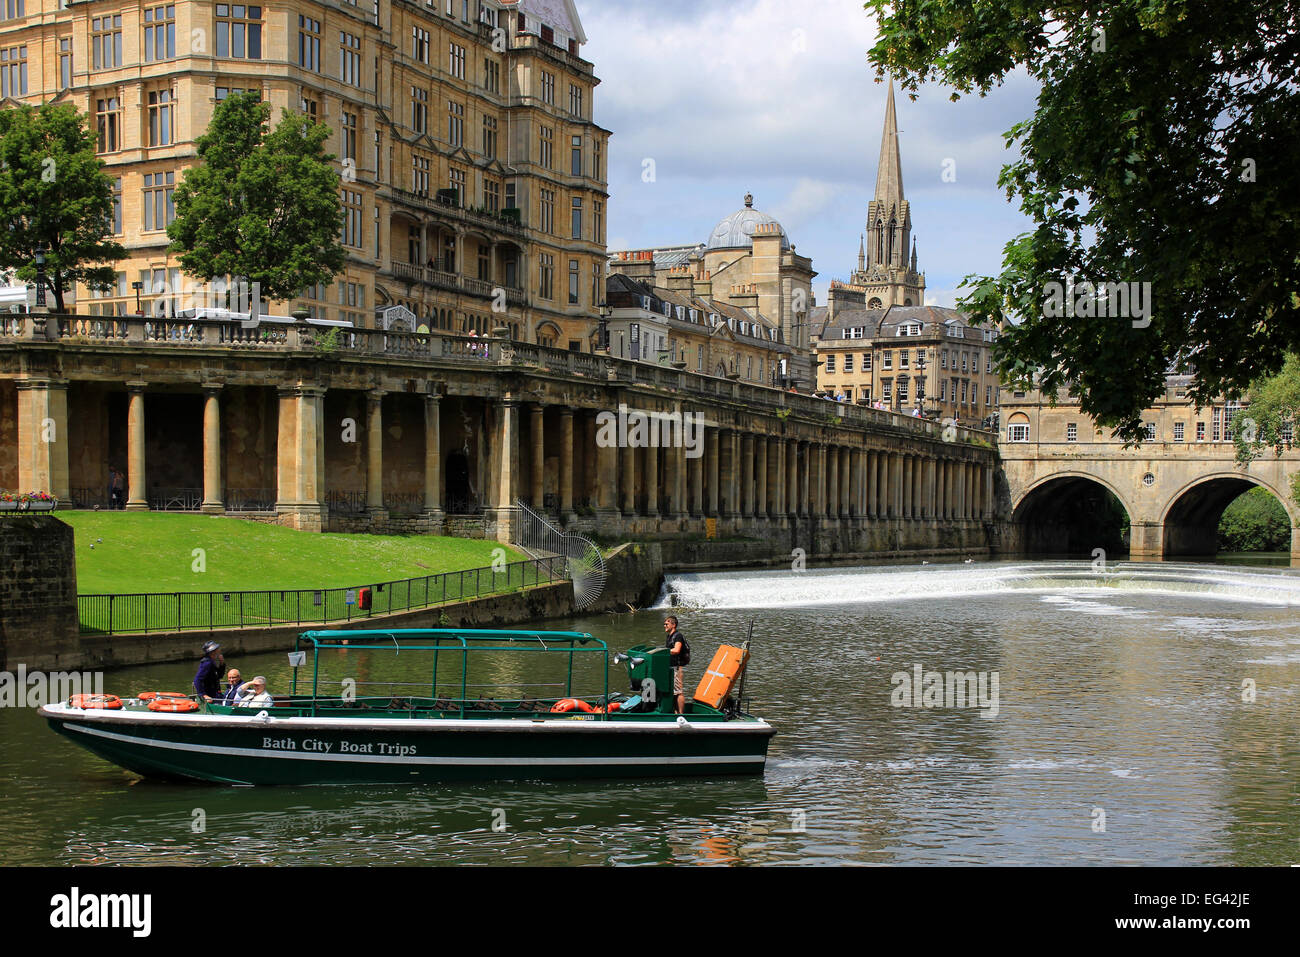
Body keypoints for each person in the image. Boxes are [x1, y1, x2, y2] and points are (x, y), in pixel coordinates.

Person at [663, 615, 686, 715]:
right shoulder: (669, 636)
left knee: (678, 691)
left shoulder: (678, 636)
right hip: (670, 667)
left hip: (676, 667)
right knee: (673, 692)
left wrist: (664, 652)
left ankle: (681, 714)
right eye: (664, 624)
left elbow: (677, 650)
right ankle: (675, 712)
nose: (664, 626)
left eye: (667, 624)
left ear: (673, 625)